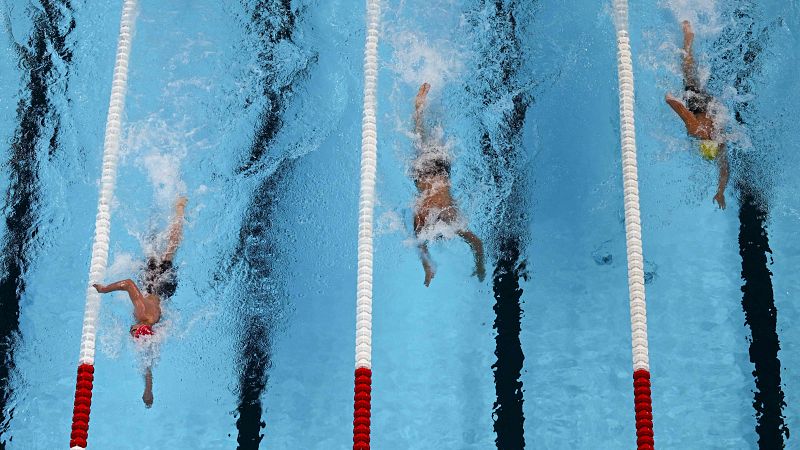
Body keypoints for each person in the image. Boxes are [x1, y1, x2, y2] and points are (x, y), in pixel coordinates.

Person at [93, 195, 187, 407]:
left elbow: (148, 366)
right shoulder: (142, 312)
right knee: (165, 250)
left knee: (160, 249)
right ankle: (179, 210)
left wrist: (148, 390)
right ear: (138, 328)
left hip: (165, 292)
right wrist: (104, 289)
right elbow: (127, 283)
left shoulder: (152, 326)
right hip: (157, 283)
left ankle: (166, 214)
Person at [411, 82, 485, 286]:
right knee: (423, 138)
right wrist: (479, 265)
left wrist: (480, 265)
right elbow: (421, 245)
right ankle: (419, 109)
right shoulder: (438, 216)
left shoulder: (427, 216)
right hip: (430, 171)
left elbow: (477, 244)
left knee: (426, 137)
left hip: (432, 170)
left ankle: (419, 108)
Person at [665, 20, 729, 209]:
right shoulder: (697, 130)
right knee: (687, 70)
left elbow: (724, 170)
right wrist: (669, 99)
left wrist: (721, 191)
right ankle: (688, 39)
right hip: (697, 104)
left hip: (710, 105)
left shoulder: (720, 141)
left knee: (698, 78)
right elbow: (682, 111)